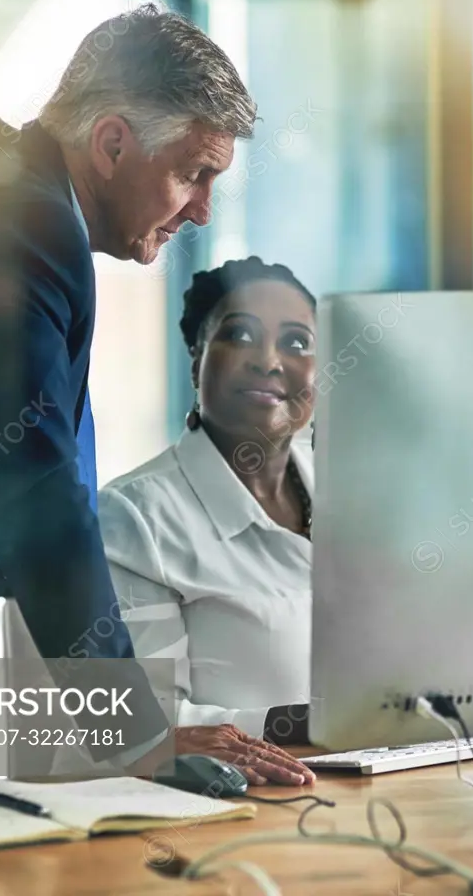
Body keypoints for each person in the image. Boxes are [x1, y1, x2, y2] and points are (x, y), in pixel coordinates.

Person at [0, 4, 314, 786]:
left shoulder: (2, 185)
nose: (203, 210)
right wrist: (138, 741)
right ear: (112, 142)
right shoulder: (21, 223)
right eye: (193, 173)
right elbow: (34, 493)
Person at [99, 257, 315, 746]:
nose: (269, 360)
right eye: (240, 335)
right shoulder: (135, 517)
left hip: (388, 783)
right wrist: (299, 723)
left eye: (296, 342)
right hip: (232, 809)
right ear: (197, 361)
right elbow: (144, 727)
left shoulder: (351, 489)